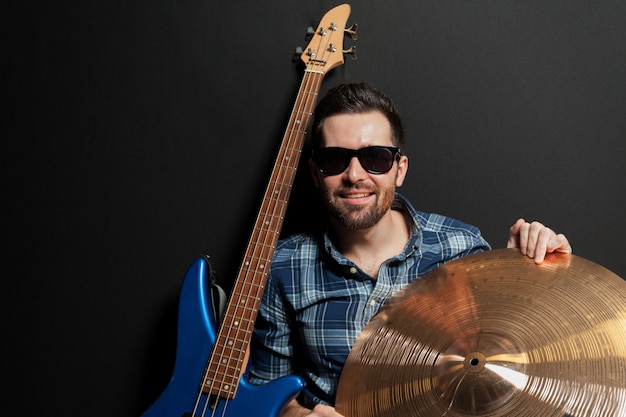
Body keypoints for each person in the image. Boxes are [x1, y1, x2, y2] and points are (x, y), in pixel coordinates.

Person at [248, 82, 572, 417]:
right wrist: (299, 416)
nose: (355, 175)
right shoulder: (283, 265)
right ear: (315, 173)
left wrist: (530, 276)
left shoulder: (461, 249)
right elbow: (268, 390)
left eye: (375, 158)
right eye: (335, 160)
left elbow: (503, 368)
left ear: (399, 169)